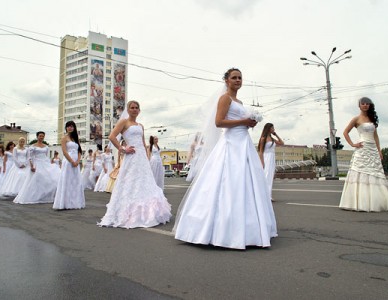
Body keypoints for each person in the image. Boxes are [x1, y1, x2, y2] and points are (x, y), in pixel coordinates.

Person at [173, 68, 277, 249]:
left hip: (243, 144)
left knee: (247, 184)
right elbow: (219, 122)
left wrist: (249, 123)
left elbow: (238, 121)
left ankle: (250, 227)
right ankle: (219, 230)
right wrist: (244, 122)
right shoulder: (225, 98)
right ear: (226, 81)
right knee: (228, 182)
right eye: (234, 78)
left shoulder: (240, 101)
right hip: (230, 145)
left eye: (240, 78)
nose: (238, 80)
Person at [97, 100, 171, 228]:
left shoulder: (140, 125)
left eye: (137, 108)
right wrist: (122, 149)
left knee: (145, 182)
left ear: (139, 110)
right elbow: (112, 136)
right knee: (130, 181)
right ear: (128, 109)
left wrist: (147, 158)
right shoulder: (123, 122)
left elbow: (142, 143)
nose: (134, 109)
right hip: (131, 156)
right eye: (132, 107)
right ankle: (128, 213)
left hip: (141, 157)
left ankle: (148, 212)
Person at [339, 97, 388, 212]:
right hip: (362, 149)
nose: (365, 105)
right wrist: (353, 144)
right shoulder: (356, 119)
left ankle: (376, 202)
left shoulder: (372, 118)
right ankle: (359, 202)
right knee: (360, 173)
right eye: (363, 103)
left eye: (367, 104)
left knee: (376, 174)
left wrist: (379, 150)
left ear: (370, 106)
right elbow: (345, 132)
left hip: (373, 149)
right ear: (359, 106)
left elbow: (376, 136)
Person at [14, 131, 60, 204]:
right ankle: (34, 195)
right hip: (37, 163)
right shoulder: (32, 146)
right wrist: (32, 166)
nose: (41, 137)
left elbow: (46, 156)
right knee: (36, 179)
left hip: (45, 163)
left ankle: (44, 195)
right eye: (40, 136)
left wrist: (49, 164)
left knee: (48, 179)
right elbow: (30, 157)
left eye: (43, 136)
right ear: (37, 137)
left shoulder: (46, 146)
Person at [53, 121, 85, 210]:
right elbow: (64, 151)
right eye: (68, 126)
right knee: (67, 180)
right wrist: (71, 161)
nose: (70, 128)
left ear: (74, 128)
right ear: (66, 128)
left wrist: (78, 161)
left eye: (72, 126)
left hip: (76, 161)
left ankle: (75, 202)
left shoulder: (76, 138)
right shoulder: (64, 138)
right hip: (68, 161)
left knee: (76, 181)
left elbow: (79, 151)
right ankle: (65, 203)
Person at [258, 123, 284, 201]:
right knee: (266, 177)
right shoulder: (263, 138)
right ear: (268, 129)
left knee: (270, 177)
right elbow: (260, 152)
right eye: (272, 128)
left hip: (272, 158)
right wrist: (262, 162)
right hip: (266, 158)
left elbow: (282, 143)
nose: (274, 129)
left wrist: (276, 135)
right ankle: (265, 196)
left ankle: (268, 195)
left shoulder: (272, 139)